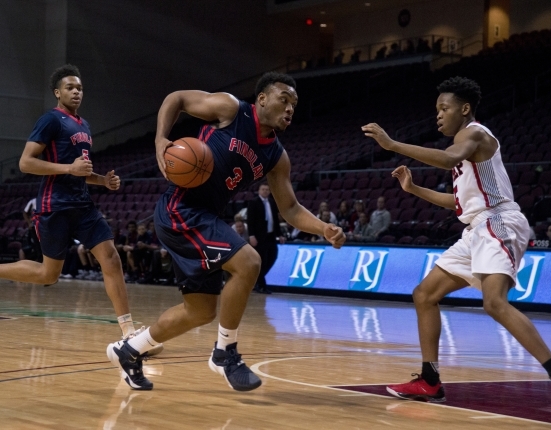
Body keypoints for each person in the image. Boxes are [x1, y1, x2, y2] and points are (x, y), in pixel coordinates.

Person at [362, 76, 551, 417]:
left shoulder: (474, 134)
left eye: (444, 108)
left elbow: (447, 159)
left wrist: (393, 145)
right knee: (424, 294)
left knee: (494, 303)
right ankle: (430, 380)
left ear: (465, 109)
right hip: (477, 227)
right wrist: (414, 190)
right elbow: (460, 207)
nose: (438, 115)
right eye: (436, 109)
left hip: (499, 222)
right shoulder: (463, 152)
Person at [106, 72, 345, 392]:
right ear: (262, 99)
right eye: (283, 99)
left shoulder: (277, 157)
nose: (290, 108)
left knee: (200, 311)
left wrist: (323, 228)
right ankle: (224, 352)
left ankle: (130, 350)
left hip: (202, 216)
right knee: (249, 262)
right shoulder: (231, 109)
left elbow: (289, 208)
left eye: (294, 104)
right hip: (180, 210)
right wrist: (161, 138)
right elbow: (176, 98)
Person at [0, 64, 159, 351]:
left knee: (111, 257)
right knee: (48, 275)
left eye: (80, 87)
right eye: (70, 87)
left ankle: (128, 331)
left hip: (83, 204)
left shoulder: (84, 126)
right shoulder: (51, 120)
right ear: (57, 93)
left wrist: (102, 181)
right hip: (54, 206)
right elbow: (26, 162)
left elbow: (81, 170)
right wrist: (68, 169)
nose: (76, 91)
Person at [246, 183, 285, 294]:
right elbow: (250, 220)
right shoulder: (253, 202)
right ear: (259, 190)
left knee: (273, 257)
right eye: (263, 189)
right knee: (262, 261)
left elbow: (275, 221)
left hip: (270, 235)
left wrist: (280, 234)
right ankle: (261, 286)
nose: (265, 191)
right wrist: (251, 235)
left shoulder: (272, 202)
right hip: (259, 236)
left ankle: (257, 281)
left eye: (267, 189)